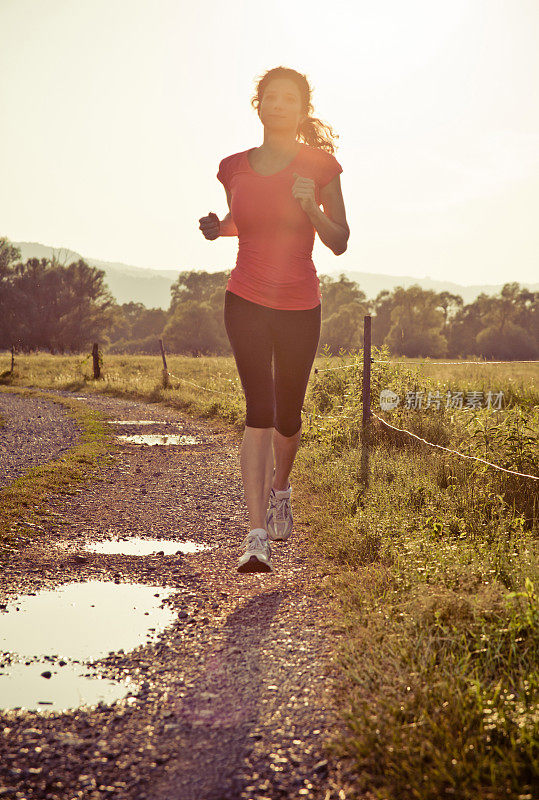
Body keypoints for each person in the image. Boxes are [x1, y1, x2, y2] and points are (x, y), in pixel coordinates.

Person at [199, 66, 349, 574]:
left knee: (288, 415)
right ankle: (256, 534)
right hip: (244, 298)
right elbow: (248, 221)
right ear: (257, 105)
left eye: (290, 98)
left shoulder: (321, 166)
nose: (279, 104)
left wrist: (311, 206)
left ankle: (281, 487)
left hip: (299, 304)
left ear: (303, 109)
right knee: (258, 410)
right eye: (271, 97)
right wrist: (220, 229)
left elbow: (340, 239)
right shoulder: (233, 167)